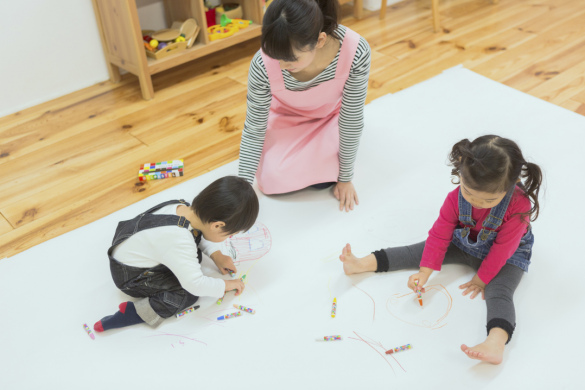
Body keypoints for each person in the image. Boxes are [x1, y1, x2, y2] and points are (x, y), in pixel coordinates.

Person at [339, 135, 542, 364]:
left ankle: (495, 343)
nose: (475, 202)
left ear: (511, 186)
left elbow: (504, 248)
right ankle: (361, 263)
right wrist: (425, 272)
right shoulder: (455, 198)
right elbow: (439, 234)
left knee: (500, 292)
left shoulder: (520, 205)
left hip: (509, 255)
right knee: (416, 251)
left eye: (487, 200)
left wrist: (482, 279)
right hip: (463, 243)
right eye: (469, 192)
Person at [238, 0, 371, 212]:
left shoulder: (356, 51)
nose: (280, 65)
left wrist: (345, 178)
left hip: (330, 117)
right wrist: (242, 188)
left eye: (290, 59)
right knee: (272, 180)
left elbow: (351, 119)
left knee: (331, 174)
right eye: (275, 56)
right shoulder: (262, 64)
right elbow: (254, 128)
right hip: (285, 118)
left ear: (319, 40)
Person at [93, 176, 259, 332]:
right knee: (187, 294)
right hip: (131, 278)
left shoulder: (182, 208)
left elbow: (199, 232)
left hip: (127, 244)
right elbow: (195, 284)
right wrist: (225, 285)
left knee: (191, 249)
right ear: (217, 226)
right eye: (229, 235)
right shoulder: (179, 239)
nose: (229, 238)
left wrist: (216, 255)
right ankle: (135, 313)